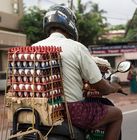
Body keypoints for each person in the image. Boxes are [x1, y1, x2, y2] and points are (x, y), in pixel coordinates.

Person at [32, 5, 123, 140]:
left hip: (38, 110)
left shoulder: (34, 47)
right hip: (72, 111)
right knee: (117, 114)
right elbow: (102, 87)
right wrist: (114, 86)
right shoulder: (76, 47)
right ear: (70, 24)